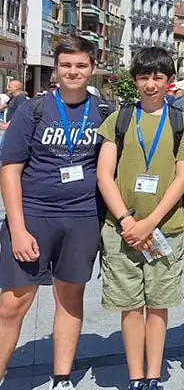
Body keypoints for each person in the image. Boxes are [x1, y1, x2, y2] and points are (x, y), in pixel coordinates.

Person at [0, 37, 108, 390]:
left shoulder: (104, 113)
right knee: (13, 303)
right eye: (66, 65)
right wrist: (17, 228)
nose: (72, 72)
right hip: (33, 216)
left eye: (80, 65)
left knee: (70, 299)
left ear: (92, 67)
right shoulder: (32, 110)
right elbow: (10, 169)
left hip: (81, 219)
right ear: (55, 69)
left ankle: (62, 378)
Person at [96, 47, 184, 390]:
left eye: (158, 77)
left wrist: (150, 222)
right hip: (121, 231)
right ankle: (136, 377)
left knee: (157, 307)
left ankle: (153, 376)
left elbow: (182, 177)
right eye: (144, 77)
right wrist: (127, 221)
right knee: (130, 307)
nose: (151, 84)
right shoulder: (120, 119)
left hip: (164, 231)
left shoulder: (181, 122)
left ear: (170, 81)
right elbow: (103, 175)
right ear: (134, 80)